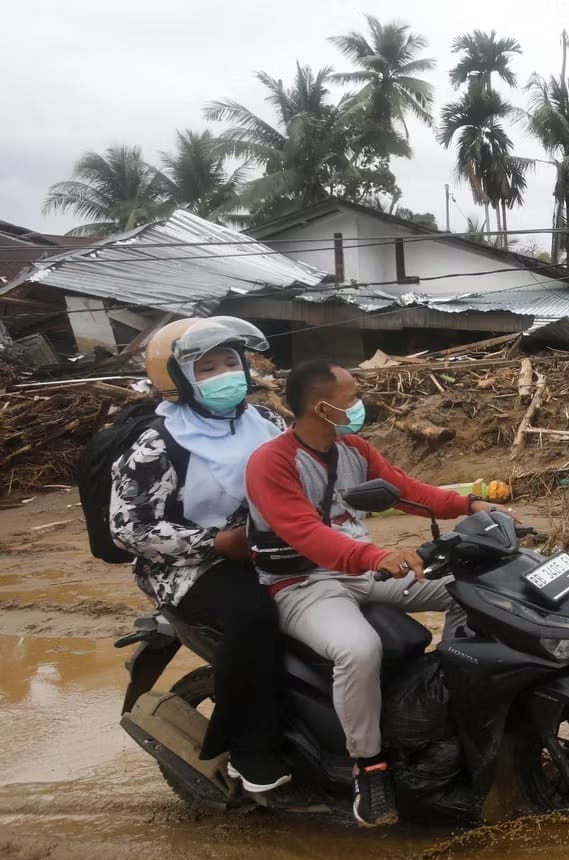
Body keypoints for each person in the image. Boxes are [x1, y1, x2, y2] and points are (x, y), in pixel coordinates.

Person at [245, 360, 500, 827]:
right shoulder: (272, 461)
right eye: (351, 396)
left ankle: (452, 701)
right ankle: (369, 766)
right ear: (321, 406)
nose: (360, 403)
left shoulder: (354, 449)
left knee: (473, 590)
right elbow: (303, 532)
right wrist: (373, 556)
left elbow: (408, 492)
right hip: (302, 583)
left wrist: (472, 505)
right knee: (359, 649)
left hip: (363, 567)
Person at [110, 316, 290, 793]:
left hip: (271, 549)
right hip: (188, 566)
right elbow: (128, 528)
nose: (224, 374)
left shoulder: (267, 422)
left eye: (230, 361)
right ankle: (248, 747)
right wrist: (214, 542)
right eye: (206, 367)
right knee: (254, 614)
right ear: (180, 380)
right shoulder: (159, 442)